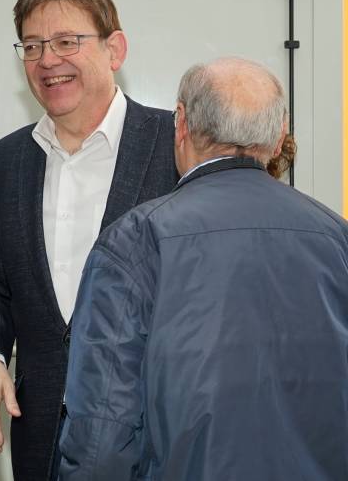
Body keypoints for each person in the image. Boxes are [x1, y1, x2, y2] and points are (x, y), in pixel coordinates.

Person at [60, 57, 348, 481]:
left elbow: (102, 435)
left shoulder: (137, 241)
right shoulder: (337, 237)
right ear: (280, 133)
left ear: (181, 123)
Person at [0, 0, 178, 481]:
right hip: (40, 433)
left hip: (152, 433)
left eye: (66, 41)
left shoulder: (174, 145)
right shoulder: (0, 163)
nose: (46, 60)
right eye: (32, 46)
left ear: (114, 49)